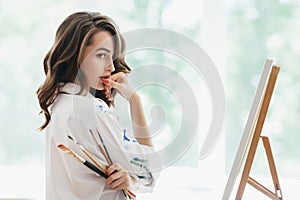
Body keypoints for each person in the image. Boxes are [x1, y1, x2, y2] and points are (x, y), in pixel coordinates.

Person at [36, 11, 159, 199]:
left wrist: (129, 179)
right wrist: (135, 101)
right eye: (101, 55)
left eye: (112, 57)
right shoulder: (89, 109)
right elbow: (149, 170)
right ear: (75, 56)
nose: (111, 66)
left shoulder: (59, 104)